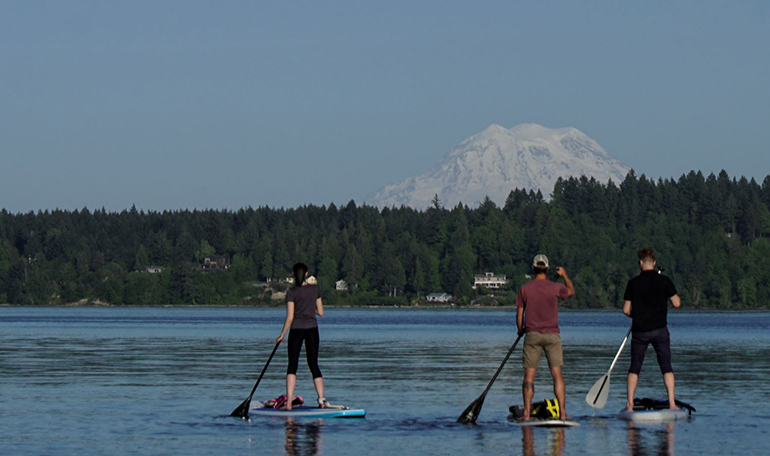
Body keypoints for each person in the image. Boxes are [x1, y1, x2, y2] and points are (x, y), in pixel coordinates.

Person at [516, 254, 575, 421]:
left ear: (533, 268)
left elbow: (520, 315)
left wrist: (520, 330)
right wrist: (564, 275)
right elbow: (571, 291)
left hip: (532, 335)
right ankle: (563, 413)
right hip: (552, 335)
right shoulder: (555, 287)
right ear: (548, 269)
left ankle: (526, 414)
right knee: (557, 374)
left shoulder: (524, 289)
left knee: (529, 376)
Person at [623, 247, 681, 411]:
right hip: (660, 331)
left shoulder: (633, 283)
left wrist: (637, 315)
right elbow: (677, 303)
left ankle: (629, 405)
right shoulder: (664, 281)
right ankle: (672, 403)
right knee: (666, 366)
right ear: (654, 263)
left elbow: (626, 310)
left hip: (640, 330)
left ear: (641, 263)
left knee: (635, 367)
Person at [276, 262, 327, 410]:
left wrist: (282, 335)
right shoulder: (314, 290)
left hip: (296, 330)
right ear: (306, 274)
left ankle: (290, 403)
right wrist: (310, 309)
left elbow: (290, 317)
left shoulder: (292, 292)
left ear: (293, 273)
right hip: (312, 330)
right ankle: (321, 401)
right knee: (314, 365)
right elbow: (321, 312)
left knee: (292, 365)